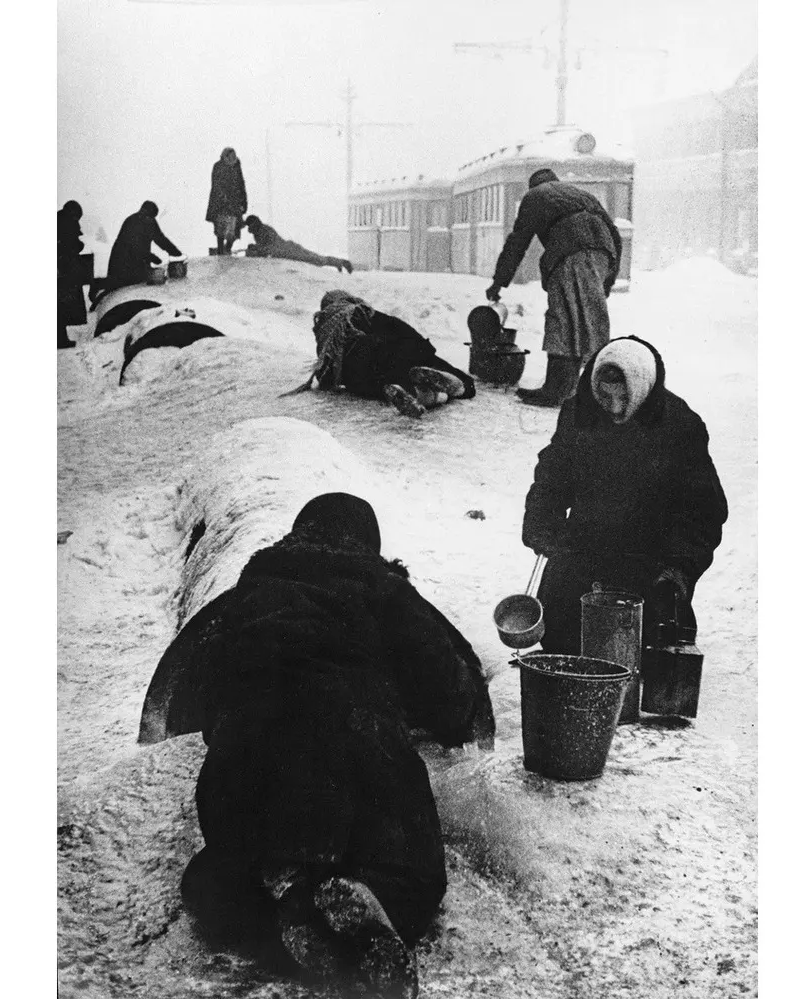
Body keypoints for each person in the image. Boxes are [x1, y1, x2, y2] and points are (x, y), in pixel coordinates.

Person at [141, 493, 494, 999]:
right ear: (369, 546)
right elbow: (448, 698)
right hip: (357, 749)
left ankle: (282, 898)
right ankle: (357, 901)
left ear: (296, 535)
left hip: (246, 764)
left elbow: (192, 694)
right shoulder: (383, 589)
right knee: (414, 877)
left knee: (214, 882)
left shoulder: (250, 591)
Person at [522, 336, 728, 659]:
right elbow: (552, 476)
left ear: (642, 388)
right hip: (585, 548)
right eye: (604, 395)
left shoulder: (679, 425)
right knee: (563, 642)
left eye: (624, 395)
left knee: (640, 651)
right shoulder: (581, 412)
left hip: (647, 558)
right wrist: (542, 522)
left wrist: (678, 569)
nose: (614, 407)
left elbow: (702, 511)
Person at [484, 168, 622, 407]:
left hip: (571, 251)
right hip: (604, 253)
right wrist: (608, 279)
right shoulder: (581, 194)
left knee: (563, 319)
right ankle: (595, 391)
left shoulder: (534, 196)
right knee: (592, 321)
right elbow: (615, 235)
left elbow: (517, 243)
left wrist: (498, 282)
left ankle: (556, 390)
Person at [284, 290, 476, 419]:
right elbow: (400, 329)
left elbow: (324, 376)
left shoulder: (324, 332)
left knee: (384, 383)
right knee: (442, 372)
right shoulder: (361, 311)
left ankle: (416, 393)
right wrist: (425, 351)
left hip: (361, 378)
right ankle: (456, 386)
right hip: (391, 352)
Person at [102, 200, 183, 295]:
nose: (150, 219)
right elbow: (134, 248)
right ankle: (97, 285)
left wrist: (175, 252)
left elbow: (160, 239)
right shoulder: (131, 222)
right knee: (118, 288)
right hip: (122, 262)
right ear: (142, 211)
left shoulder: (151, 222)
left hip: (139, 263)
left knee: (138, 287)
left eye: (152, 217)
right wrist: (152, 257)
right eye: (148, 216)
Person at [244, 214, 354, 273]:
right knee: (315, 259)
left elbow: (270, 247)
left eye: (250, 225)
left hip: (289, 250)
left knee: (315, 259)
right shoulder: (258, 232)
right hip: (286, 251)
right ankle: (339, 263)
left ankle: (342, 263)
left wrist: (255, 248)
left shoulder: (264, 230)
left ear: (254, 224)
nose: (249, 229)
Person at [205, 148, 248, 256]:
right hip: (221, 203)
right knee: (221, 228)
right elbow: (216, 185)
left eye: (234, 156)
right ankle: (220, 250)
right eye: (231, 156)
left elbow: (241, 184)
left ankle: (227, 248)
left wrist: (244, 202)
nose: (233, 158)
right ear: (225, 157)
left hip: (235, 202)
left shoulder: (236, 166)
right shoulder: (218, 166)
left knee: (235, 229)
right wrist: (224, 199)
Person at [57, 200, 87, 349]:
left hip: (61, 269)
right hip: (63, 270)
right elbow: (71, 245)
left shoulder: (59, 220)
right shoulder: (67, 223)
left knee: (60, 305)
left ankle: (61, 338)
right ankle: (60, 340)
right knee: (61, 305)